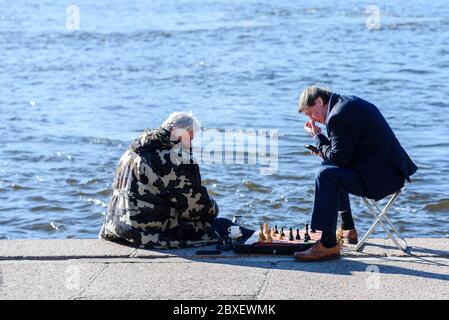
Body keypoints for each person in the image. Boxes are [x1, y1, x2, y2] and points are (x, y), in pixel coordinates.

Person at [294, 86, 418, 261]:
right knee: (327, 166)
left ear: (320, 102)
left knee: (326, 175)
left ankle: (327, 244)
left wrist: (318, 137)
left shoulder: (339, 115)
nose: (312, 120)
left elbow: (339, 158)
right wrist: (323, 149)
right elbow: (342, 153)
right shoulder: (344, 105)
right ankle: (348, 228)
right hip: (385, 170)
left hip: (381, 178)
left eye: (311, 113)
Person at [99, 111, 252, 249]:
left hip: (116, 228)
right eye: (189, 139)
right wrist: (214, 207)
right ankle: (268, 239)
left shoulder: (132, 150)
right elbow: (198, 209)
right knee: (225, 227)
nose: (190, 145)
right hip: (146, 233)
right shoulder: (174, 157)